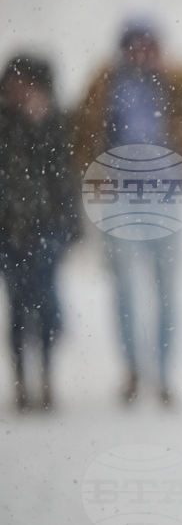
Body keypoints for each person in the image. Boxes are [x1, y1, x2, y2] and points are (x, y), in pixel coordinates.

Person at [71, 20, 182, 405]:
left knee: (166, 290)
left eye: (149, 46)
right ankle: (133, 369)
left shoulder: (172, 82)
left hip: (167, 193)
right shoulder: (106, 82)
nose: (141, 53)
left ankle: (165, 374)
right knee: (124, 289)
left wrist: (176, 71)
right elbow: (81, 128)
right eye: (134, 46)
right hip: (118, 195)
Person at [0, 54, 81, 411]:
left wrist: (71, 227)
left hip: (49, 228)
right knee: (18, 303)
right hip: (8, 229)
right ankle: (21, 380)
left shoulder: (57, 124)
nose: (19, 89)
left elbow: (66, 177)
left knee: (44, 300)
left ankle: (46, 376)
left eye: (26, 82)